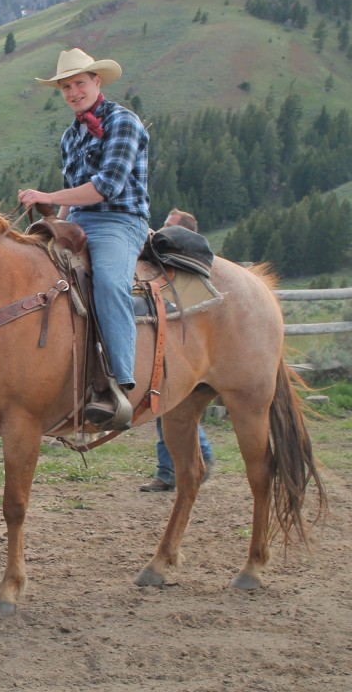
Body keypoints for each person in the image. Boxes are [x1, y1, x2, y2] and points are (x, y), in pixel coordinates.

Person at [17, 48, 149, 431]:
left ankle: (120, 387)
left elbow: (106, 187)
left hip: (119, 220)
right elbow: (73, 191)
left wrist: (48, 197)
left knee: (108, 282)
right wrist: (51, 226)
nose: (73, 92)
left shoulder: (125, 122)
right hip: (77, 219)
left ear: (97, 82)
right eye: (66, 87)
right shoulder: (70, 135)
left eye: (79, 83)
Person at [139, 208, 215, 492]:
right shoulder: (170, 268)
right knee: (170, 413)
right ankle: (173, 469)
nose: (162, 230)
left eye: (169, 226)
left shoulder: (185, 273)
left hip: (180, 353)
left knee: (173, 412)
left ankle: (192, 461)